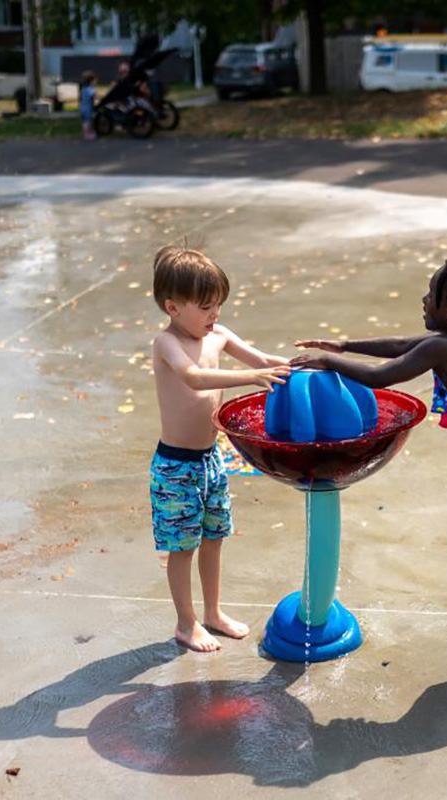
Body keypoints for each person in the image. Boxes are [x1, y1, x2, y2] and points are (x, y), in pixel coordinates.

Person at [293, 254, 447, 689]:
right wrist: (345, 345)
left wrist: (329, 363)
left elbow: (383, 376)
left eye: (431, 295)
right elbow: (401, 346)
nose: (424, 299)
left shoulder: (444, 347)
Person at [150, 245, 291, 652]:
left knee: (214, 538)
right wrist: (253, 376)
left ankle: (212, 612)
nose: (215, 316)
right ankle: (185, 622)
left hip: (210, 461)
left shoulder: (218, 335)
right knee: (183, 547)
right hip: (176, 467)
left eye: (219, 306)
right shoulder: (166, 343)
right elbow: (193, 378)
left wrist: (296, 367)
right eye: (207, 307)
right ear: (174, 307)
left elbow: (262, 359)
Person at [79, 70, 97, 141]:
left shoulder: (83, 89)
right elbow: (94, 96)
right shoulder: (90, 89)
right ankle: (86, 134)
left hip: (82, 107)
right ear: (91, 81)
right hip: (88, 108)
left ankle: (85, 132)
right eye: (94, 80)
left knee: (84, 121)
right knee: (88, 121)